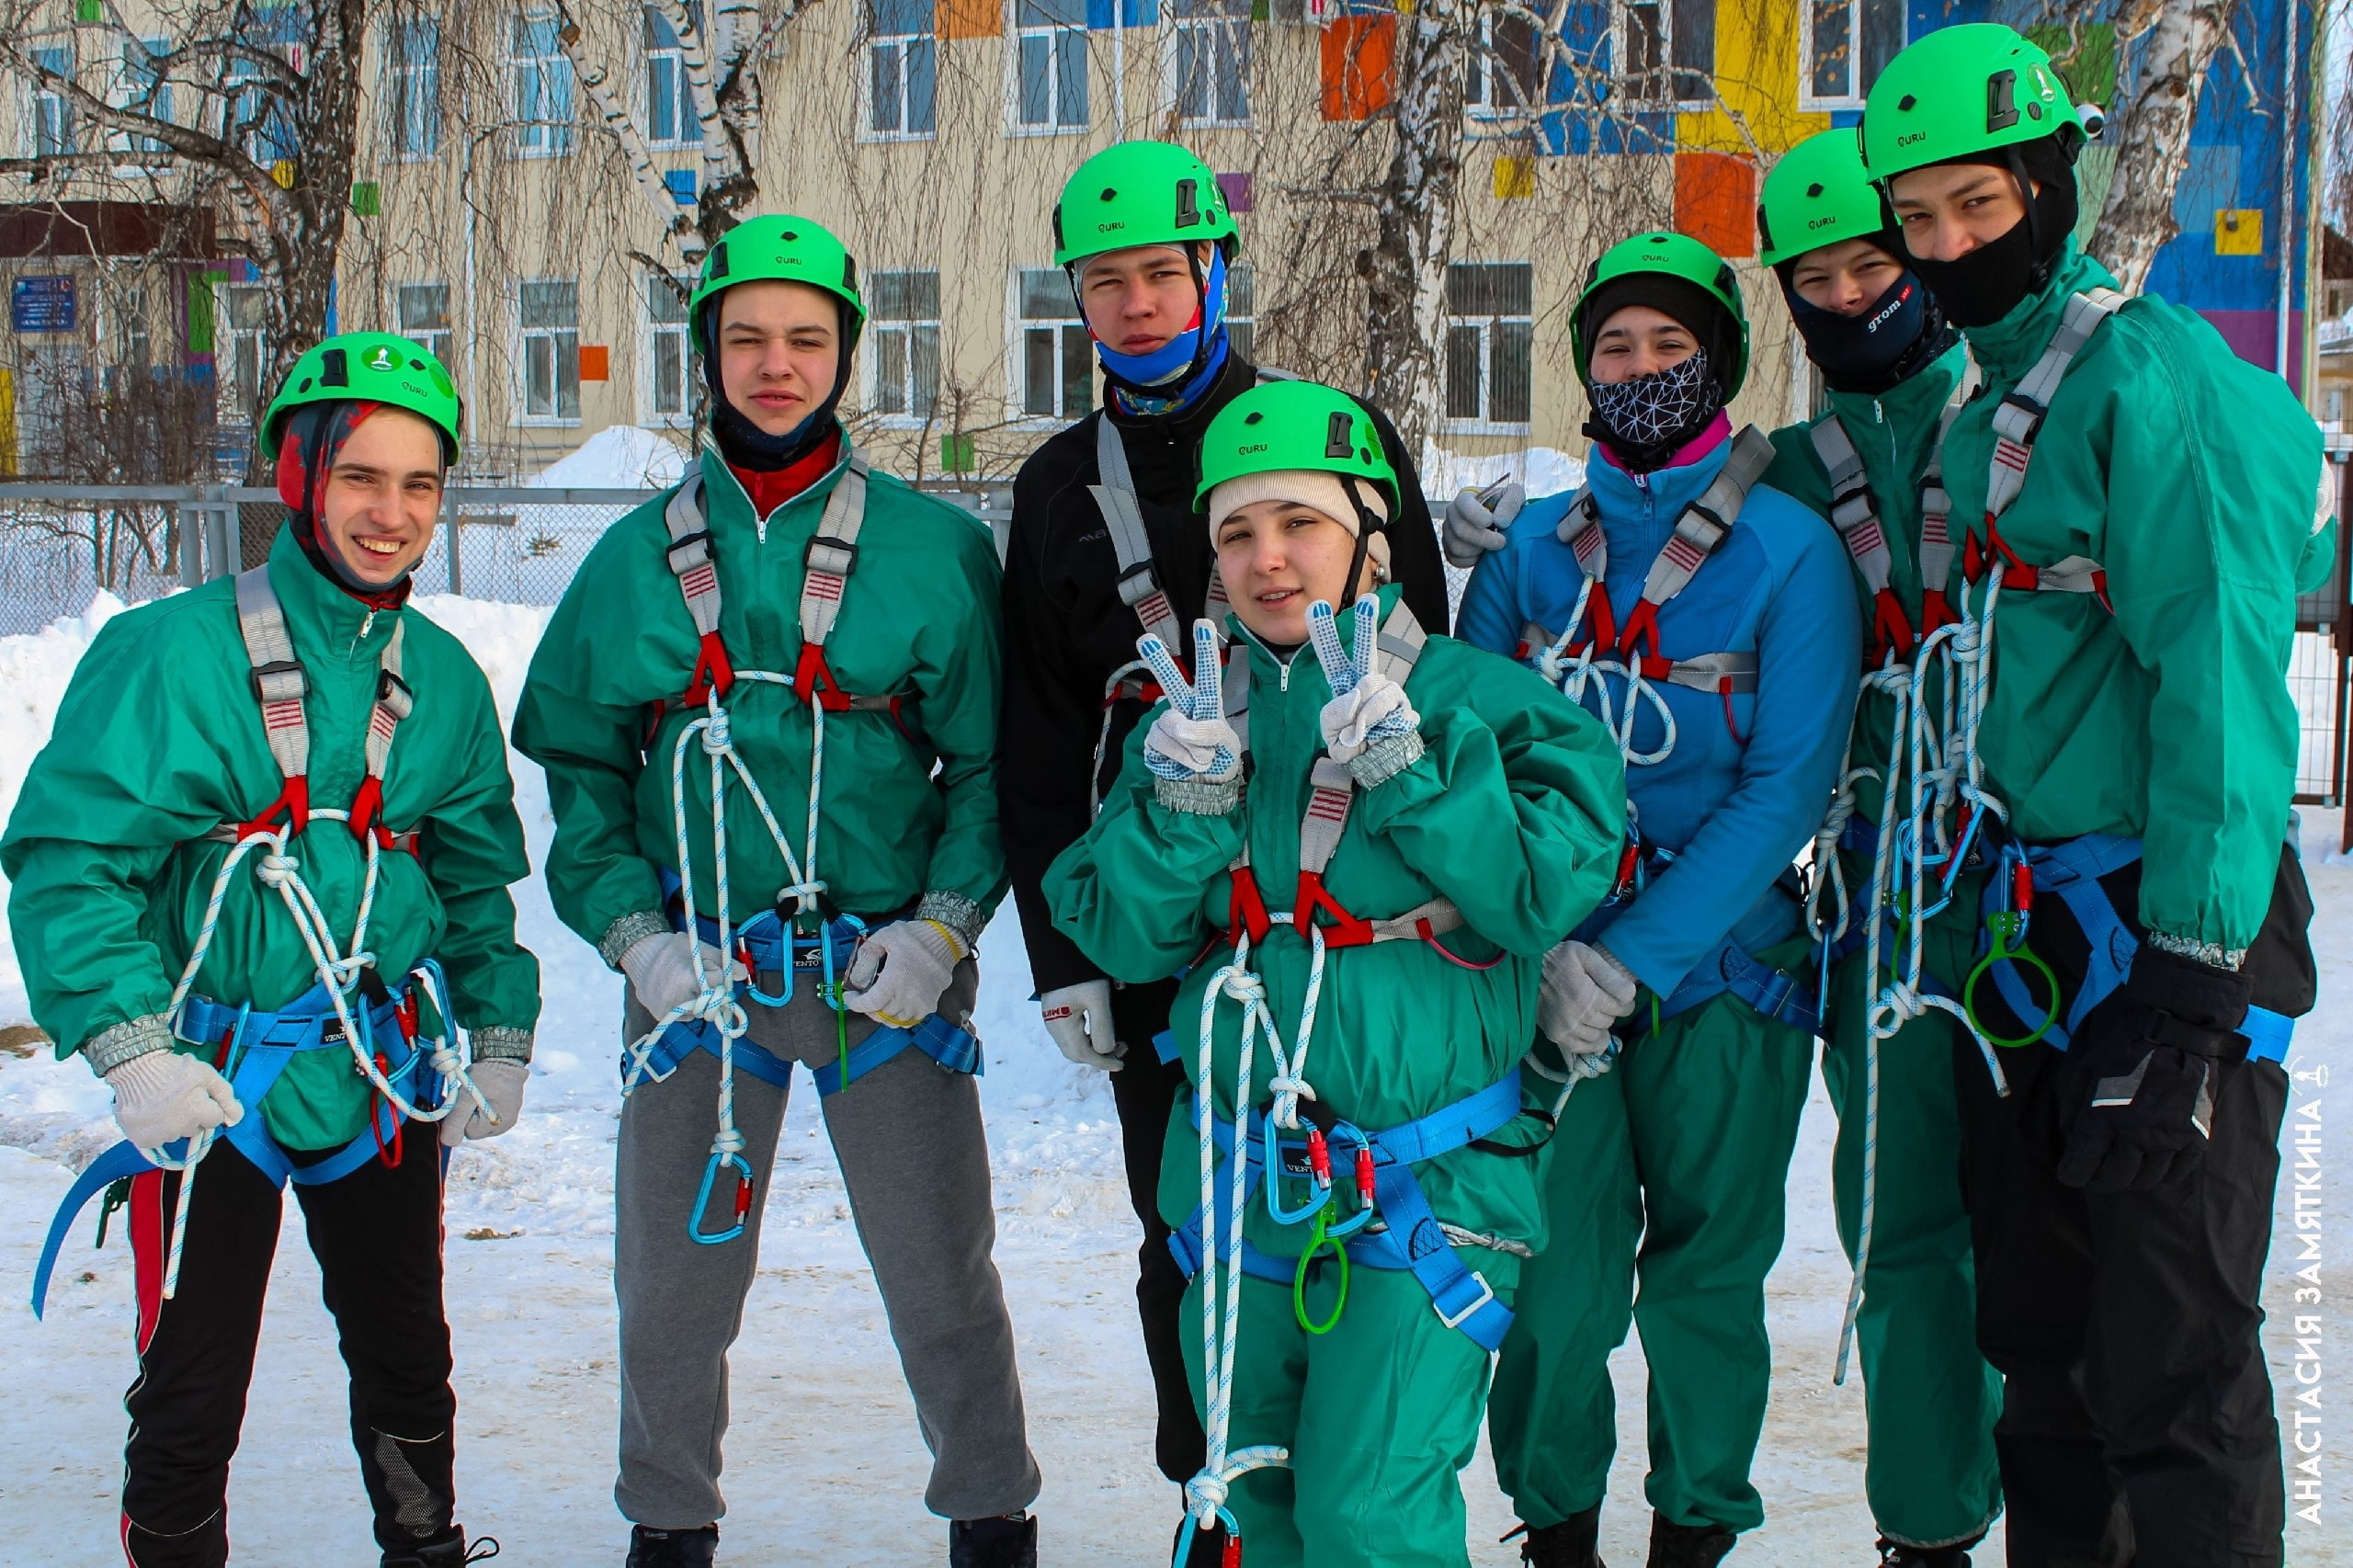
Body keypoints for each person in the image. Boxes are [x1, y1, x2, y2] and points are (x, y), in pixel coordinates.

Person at [1858, 25, 2329, 1568]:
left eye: (1979, 208)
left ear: (2059, 185)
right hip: (2032, 944)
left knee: (2172, 1359)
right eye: (1917, 220)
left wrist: (2192, 976)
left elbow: (2217, 682)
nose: (1949, 248)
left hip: (2167, 930)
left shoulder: (2154, 379)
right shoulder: (1977, 405)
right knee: (2044, 1351)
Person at [510, 215, 1039, 1568]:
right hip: (702, 965)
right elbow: (578, 771)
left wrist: (943, 928)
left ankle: (991, 1513)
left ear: (847, 353)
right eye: (746, 337)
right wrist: (637, 940)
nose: (776, 363)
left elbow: (991, 773)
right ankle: (668, 1522)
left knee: (939, 1266)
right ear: (706, 353)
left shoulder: (933, 550)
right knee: (673, 1279)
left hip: (883, 970)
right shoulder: (636, 556)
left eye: (807, 338)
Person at [1045, 378, 1624, 1568]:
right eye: (1237, 533)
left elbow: (1542, 893)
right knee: (1243, 1496)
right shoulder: (1195, 719)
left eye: (1299, 523)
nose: (1268, 560)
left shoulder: (1492, 706)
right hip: (1240, 1178)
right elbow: (1113, 927)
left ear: (1371, 530)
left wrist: (1416, 775)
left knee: (1366, 1517)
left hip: (1432, 1184)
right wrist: (1184, 805)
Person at [6, 332, 540, 1568]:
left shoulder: (445, 683)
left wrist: (498, 1033)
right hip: (211, 1075)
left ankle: (424, 1549)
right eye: (361, 477)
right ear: (298, 474)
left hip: (376, 1072)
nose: (391, 513)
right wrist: (133, 1046)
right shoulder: (173, 655)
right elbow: (71, 856)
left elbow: (473, 882)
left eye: (419, 484)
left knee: (410, 1361)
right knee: (193, 1378)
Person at [997, 138, 1449, 1511]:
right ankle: (1214, 1493)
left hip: (1339, 908)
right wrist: (1061, 955)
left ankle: (1351, 1489)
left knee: (1353, 1203)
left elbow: (1420, 649)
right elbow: (1032, 735)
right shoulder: (1056, 489)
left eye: (1162, 274)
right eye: (1104, 281)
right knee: (1185, 1221)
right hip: (1157, 908)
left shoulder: (1328, 435)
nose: (1136, 304)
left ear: (1214, 275)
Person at [1449, 231, 1860, 1567]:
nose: (1639, 371)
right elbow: (1468, 755)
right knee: (1551, 1273)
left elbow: (1789, 783)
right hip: (1538, 975)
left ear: (1721, 363)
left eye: (1670, 347)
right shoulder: (1529, 549)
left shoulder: (1791, 553)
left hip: (1721, 975)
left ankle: (1696, 1532)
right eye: (1615, 347)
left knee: (1705, 1280)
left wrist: (1631, 955)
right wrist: (1538, 940)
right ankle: (1555, 1526)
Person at [1754, 127, 2006, 1568]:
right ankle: (1928, 1526)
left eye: (1877, 259)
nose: (1854, 296)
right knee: (1899, 1223)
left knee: (2056, 1211)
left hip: (2040, 868)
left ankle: (2072, 1487)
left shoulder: (2035, 401)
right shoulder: (1784, 474)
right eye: (1821, 277)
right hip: (1883, 896)